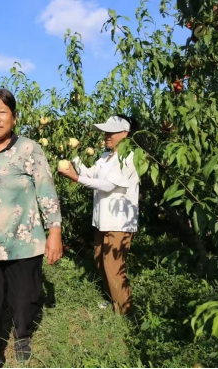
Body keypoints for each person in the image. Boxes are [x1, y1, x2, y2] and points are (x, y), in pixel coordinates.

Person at [0, 89, 63, 368]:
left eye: (2, 112)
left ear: (14, 118)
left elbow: (46, 191)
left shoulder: (29, 149)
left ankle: (23, 335)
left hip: (24, 241)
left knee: (24, 298)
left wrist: (55, 231)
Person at [58, 115, 139, 315]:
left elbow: (108, 185)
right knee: (99, 260)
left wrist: (74, 178)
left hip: (119, 222)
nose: (107, 136)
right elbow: (90, 175)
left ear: (125, 134)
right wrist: (74, 156)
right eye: (106, 131)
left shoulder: (128, 157)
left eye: (112, 132)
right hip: (103, 221)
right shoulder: (105, 157)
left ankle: (125, 313)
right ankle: (114, 301)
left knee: (114, 266)